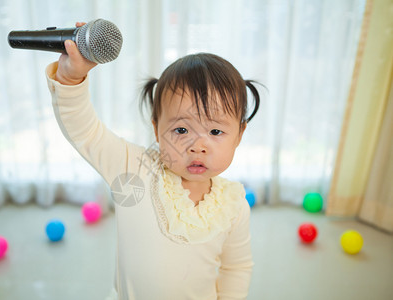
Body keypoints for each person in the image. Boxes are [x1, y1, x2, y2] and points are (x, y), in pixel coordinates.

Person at [46, 22, 260, 300]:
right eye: (181, 130)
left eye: (215, 131)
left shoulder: (234, 205)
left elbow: (236, 267)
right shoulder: (133, 170)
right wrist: (71, 80)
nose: (198, 147)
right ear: (157, 129)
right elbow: (85, 132)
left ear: (239, 134)